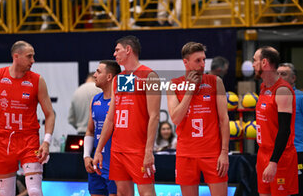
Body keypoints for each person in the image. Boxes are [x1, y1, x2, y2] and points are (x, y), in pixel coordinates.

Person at [0, 40, 55, 196]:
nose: (33, 61)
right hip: (5, 141)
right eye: (29, 56)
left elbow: (50, 114)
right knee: (5, 192)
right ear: (16, 56)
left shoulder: (37, 80)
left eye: (33, 56)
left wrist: (46, 141)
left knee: (34, 191)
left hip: (29, 141)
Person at [93, 35, 161, 196]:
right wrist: (99, 149)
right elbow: (111, 118)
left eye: (117, 50)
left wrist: (149, 151)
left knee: (147, 192)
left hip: (138, 149)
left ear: (128, 50)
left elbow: (154, 117)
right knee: (122, 193)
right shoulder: (119, 79)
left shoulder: (149, 76)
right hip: (118, 149)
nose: (114, 54)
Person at [166, 42, 230, 196]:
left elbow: (224, 120)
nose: (202, 64)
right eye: (197, 61)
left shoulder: (215, 82)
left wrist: (224, 152)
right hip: (186, 154)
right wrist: (189, 91)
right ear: (185, 62)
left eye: (203, 60)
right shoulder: (174, 85)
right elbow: (175, 118)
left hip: (213, 153)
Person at [252, 46, 298, 196]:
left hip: (280, 157)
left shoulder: (282, 90)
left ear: (264, 62)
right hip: (263, 153)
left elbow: (285, 130)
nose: (252, 64)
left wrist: (273, 162)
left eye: (255, 60)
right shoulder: (264, 87)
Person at [277, 62, 303, 196]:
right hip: (279, 152)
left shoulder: (302, 98)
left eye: (284, 74)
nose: (280, 77)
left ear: (293, 78)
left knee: (299, 190)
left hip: (299, 152)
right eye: (277, 74)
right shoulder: (271, 97)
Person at [83, 60, 121, 196]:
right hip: (96, 163)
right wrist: (86, 156)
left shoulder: (121, 101)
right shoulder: (95, 100)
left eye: (98, 72)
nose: (94, 75)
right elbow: (90, 131)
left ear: (109, 77)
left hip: (114, 164)